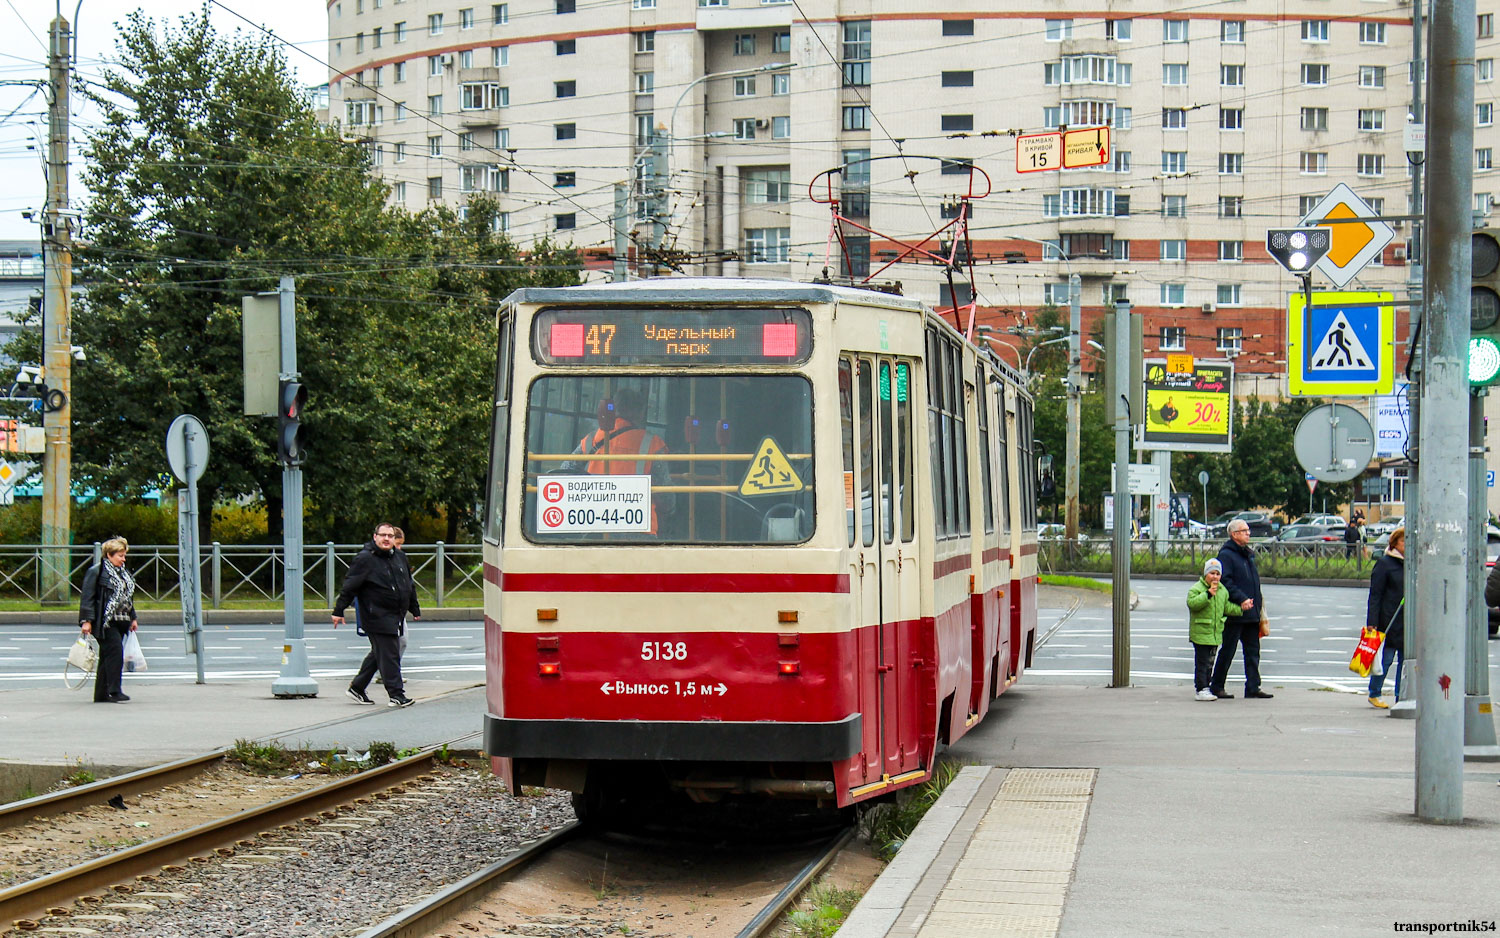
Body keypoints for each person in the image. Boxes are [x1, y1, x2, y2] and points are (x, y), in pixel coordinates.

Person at [333, 523, 421, 708]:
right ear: (375, 537)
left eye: (390, 536)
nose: (386, 539)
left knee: (379, 653)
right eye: (383, 535)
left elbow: (408, 584)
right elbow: (350, 586)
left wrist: (414, 607)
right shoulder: (365, 559)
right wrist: (339, 610)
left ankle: (357, 688)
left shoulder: (400, 557)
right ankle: (396, 695)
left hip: (395, 614)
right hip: (375, 615)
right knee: (390, 654)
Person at [565, 388, 674, 533]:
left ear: (614, 410)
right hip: (637, 528)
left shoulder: (592, 439)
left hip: (592, 524)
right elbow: (665, 497)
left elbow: (565, 471)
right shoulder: (652, 444)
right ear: (640, 413)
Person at [1210, 518, 1273, 699]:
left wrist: (1257, 604)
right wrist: (1241, 599)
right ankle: (1217, 685)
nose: (1248, 533)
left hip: (1251, 611)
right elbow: (1225, 581)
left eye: (1248, 530)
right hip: (1236, 612)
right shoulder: (1226, 555)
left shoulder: (1247, 554)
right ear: (1234, 534)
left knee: (1253, 652)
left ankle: (1253, 687)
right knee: (1228, 650)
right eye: (1244, 531)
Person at [78, 537, 139, 704]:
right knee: (115, 653)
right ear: (109, 555)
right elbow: (88, 597)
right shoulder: (97, 572)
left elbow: (127, 598)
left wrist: (133, 617)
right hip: (105, 621)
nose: (123, 559)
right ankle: (114, 690)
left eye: (124, 555)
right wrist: (86, 620)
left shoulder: (123, 573)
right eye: (120, 555)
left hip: (122, 620)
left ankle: (101, 694)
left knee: (107, 657)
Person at [1367, 527, 1407, 709]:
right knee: (1386, 659)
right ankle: (1375, 692)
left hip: (1407, 621)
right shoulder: (1385, 564)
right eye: (1403, 541)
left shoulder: (1411, 563)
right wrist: (1372, 622)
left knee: (1405, 662)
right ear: (1394, 543)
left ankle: (1401, 696)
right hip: (1389, 619)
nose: (1406, 545)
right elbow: (1375, 594)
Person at [1186, 558, 1231, 701]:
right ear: (1205, 574)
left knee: (1210, 662)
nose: (1215, 577)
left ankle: (1207, 686)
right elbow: (1192, 603)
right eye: (1212, 573)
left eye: (1218, 574)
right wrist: (1208, 594)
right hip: (1201, 633)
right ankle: (1201, 688)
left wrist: (1242, 608)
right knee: (1202, 662)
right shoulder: (1197, 588)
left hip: (1214, 633)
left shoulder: (1222, 590)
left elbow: (1226, 607)